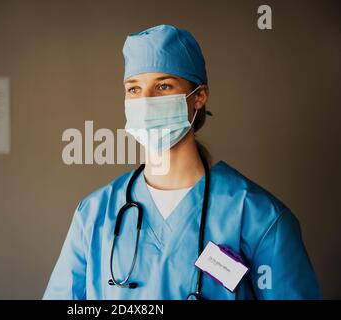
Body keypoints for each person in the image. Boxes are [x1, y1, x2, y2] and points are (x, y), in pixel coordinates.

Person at [43, 24, 321, 300]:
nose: (146, 101)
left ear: (198, 97)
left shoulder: (258, 216)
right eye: (134, 89)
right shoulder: (94, 215)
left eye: (163, 86)